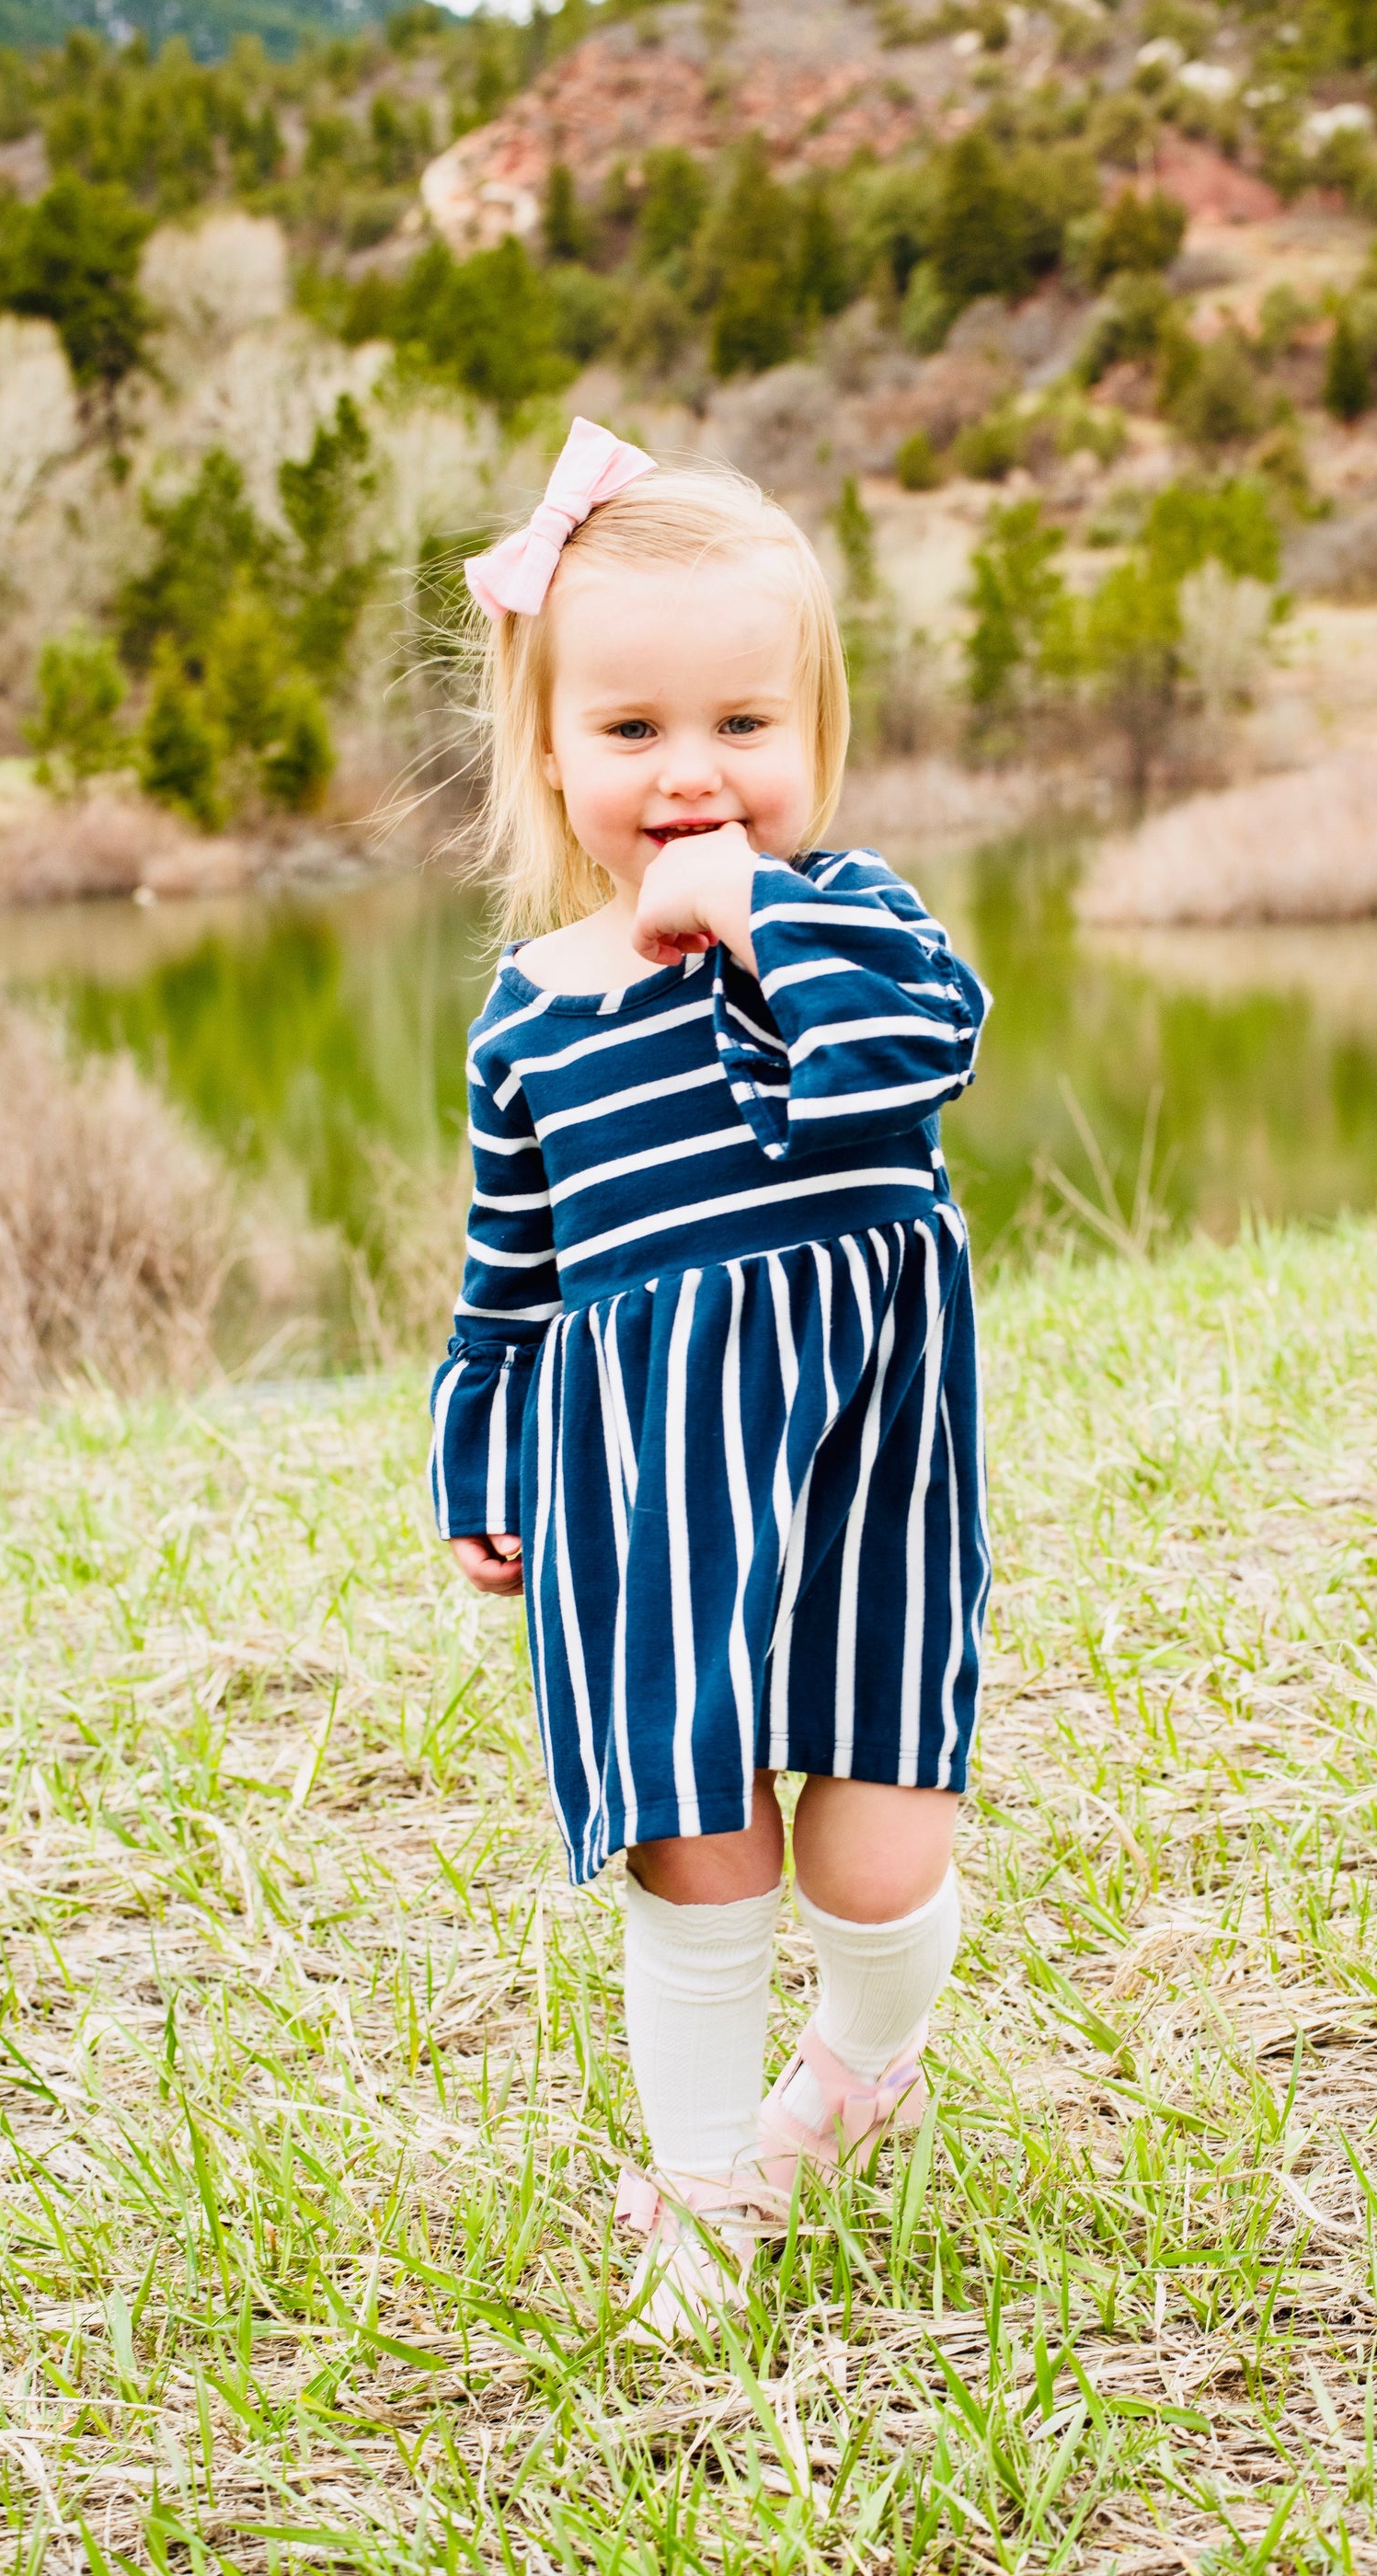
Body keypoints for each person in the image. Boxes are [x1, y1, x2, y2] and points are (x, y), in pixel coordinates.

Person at [428, 420, 991, 2333]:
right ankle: (695, 2195)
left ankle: (853, 2071)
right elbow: (509, 1273)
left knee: (879, 1846)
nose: (692, 774)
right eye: (633, 731)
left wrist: (751, 913)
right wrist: (480, 1452)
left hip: (864, 1448)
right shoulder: (532, 1009)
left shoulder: (853, 920)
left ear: (816, 733)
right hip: (643, 1473)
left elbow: (912, 1057)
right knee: (697, 1830)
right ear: (552, 751)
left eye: (744, 724)